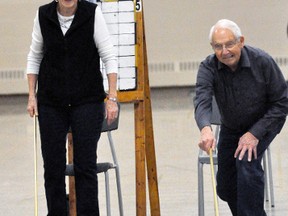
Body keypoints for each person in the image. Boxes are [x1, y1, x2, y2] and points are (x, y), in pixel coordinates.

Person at [26, 0, 118, 215]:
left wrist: (112, 97)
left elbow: (108, 55)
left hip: (87, 100)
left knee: (85, 166)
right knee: (52, 167)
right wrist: (32, 95)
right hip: (51, 102)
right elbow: (34, 56)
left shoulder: (92, 13)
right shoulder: (43, 15)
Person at [194, 19, 288, 216]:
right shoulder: (208, 66)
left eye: (229, 44)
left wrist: (254, 134)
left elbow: (282, 102)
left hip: (262, 123)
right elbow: (202, 100)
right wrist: (205, 128)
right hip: (231, 127)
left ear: (241, 41)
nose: (224, 51)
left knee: (246, 164)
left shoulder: (262, 61)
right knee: (226, 187)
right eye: (218, 46)